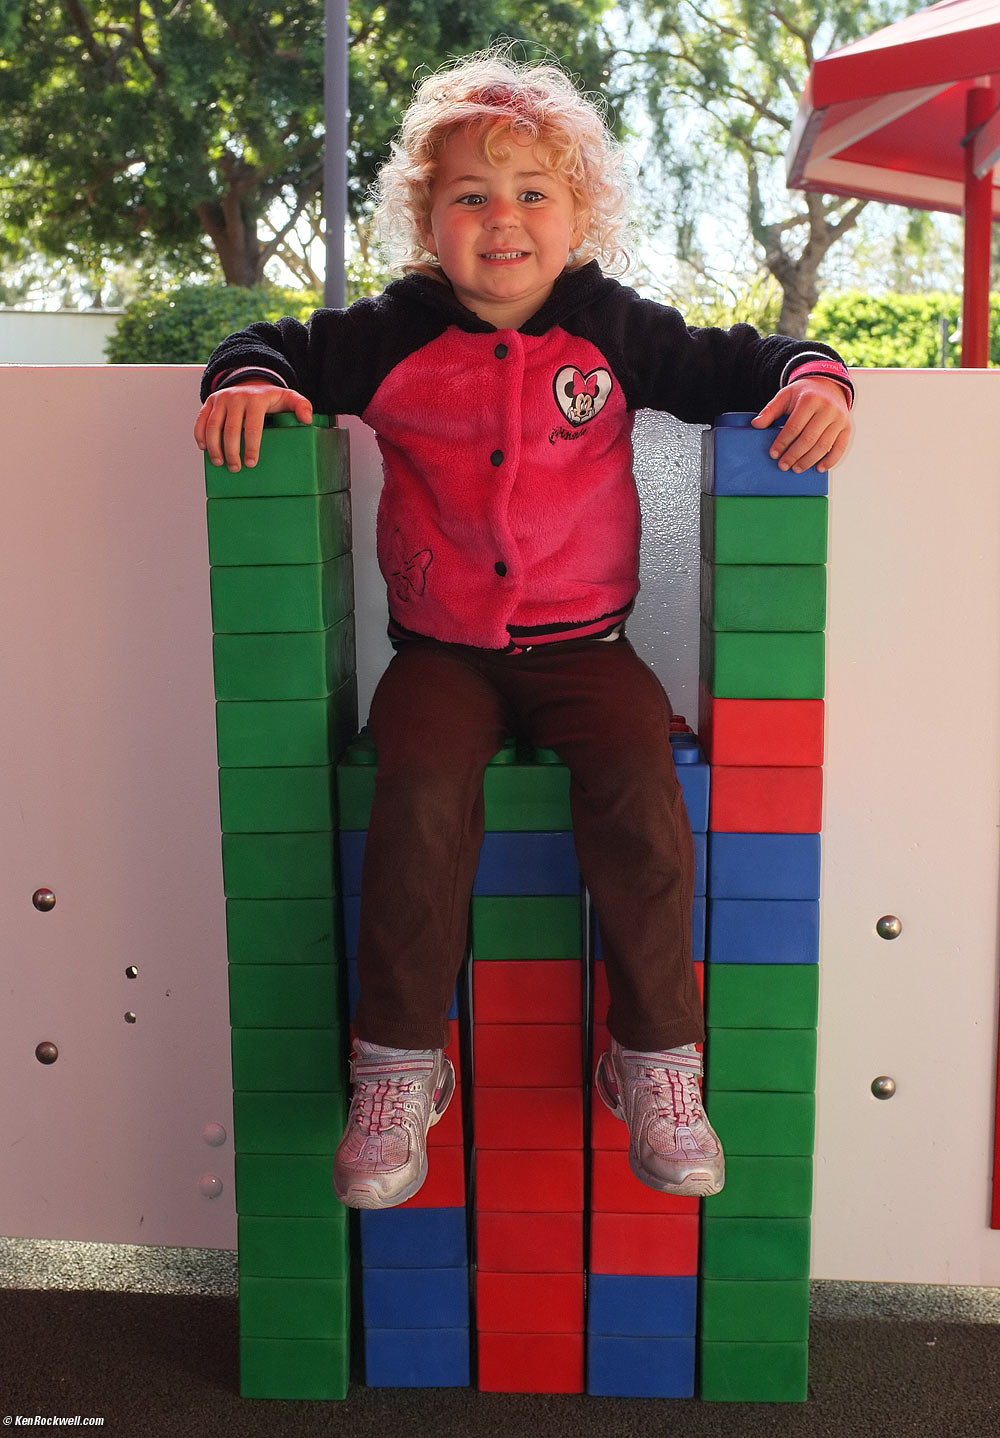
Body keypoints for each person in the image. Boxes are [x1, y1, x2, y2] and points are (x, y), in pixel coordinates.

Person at [195, 51, 853, 1211]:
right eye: (471, 195)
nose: (503, 218)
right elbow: (276, 343)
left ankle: (654, 1058)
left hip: (589, 654)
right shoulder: (392, 334)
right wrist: (245, 379)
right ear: (427, 223)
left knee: (641, 790)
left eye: (534, 192)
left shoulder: (613, 329)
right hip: (440, 658)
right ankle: (397, 1066)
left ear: (579, 216)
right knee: (416, 792)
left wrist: (817, 378)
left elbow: (741, 359)